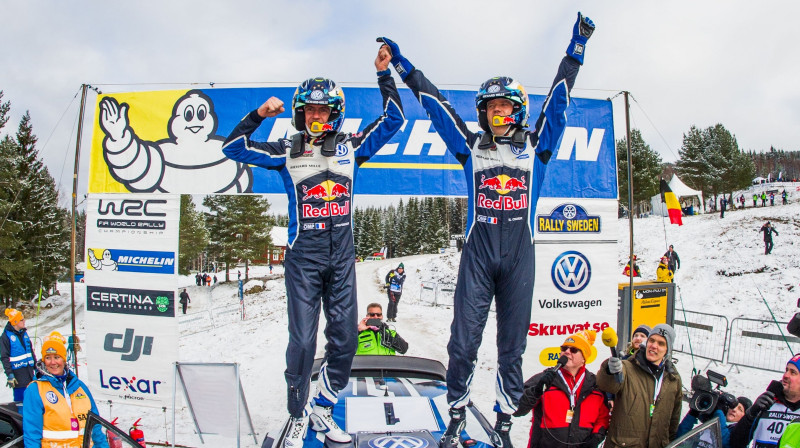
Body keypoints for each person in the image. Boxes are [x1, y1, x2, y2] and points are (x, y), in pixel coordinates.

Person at [379, 12, 596, 447]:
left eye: (506, 107)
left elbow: (559, 98)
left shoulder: (537, 147)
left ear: (517, 110)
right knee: (462, 345)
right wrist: (402, 67)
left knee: (511, 351)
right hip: (478, 257)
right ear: (484, 113)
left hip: (520, 257)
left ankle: (502, 422)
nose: (499, 113)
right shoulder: (471, 147)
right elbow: (434, 103)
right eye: (492, 108)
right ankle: (456, 413)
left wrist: (576, 48)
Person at [221, 44, 403, 446]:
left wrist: (383, 75)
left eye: (322, 111)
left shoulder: (351, 147)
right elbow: (232, 148)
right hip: (303, 258)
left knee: (346, 340)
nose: (315, 117)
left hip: (341, 259)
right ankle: (298, 411)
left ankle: (323, 406)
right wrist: (258, 116)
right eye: (308, 111)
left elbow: (395, 120)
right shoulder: (286, 150)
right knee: (303, 342)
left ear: (334, 113)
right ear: (300, 114)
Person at [514, 330, 609, 448]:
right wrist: (537, 391)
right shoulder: (545, 378)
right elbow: (517, 409)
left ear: (584, 358)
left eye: (574, 350)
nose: (567, 352)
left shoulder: (595, 385)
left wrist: (596, 437)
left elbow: (603, 418)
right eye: (564, 349)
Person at [596, 324, 683, 448]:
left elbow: (674, 419)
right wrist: (609, 370)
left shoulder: (673, 379)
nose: (654, 346)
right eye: (652, 340)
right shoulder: (627, 367)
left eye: (661, 343)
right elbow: (606, 384)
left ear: (667, 350)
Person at [23, 331, 107, 448]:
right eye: (48, 358)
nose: (53, 362)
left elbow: (96, 427)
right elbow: (32, 434)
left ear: (64, 359)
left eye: (57, 357)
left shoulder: (79, 387)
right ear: (43, 361)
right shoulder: (35, 390)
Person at [730, 354, 800, 448]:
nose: (786, 375)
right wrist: (750, 415)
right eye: (786, 370)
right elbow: (735, 443)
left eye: (793, 372)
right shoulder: (768, 402)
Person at [1, 308, 36, 403]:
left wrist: (36, 366)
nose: (24, 321)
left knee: (33, 400)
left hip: (30, 374)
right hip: (18, 377)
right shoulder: (5, 337)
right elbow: (4, 357)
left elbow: (30, 351)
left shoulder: (24, 333)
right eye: (21, 320)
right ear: (15, 322)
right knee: (21, 402)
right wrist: (9, 374)